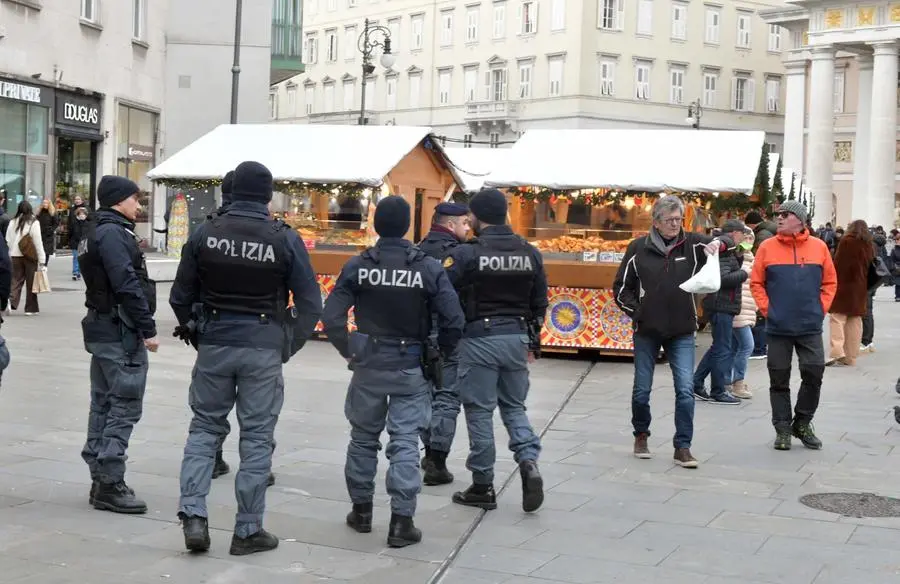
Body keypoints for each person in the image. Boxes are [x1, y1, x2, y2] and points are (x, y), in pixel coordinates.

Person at [170, 161, 322, 555]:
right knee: (256, 439)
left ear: (233, 192)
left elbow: (180, 295)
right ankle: (247, 530)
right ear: (268, 195)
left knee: (204, 429)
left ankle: (194, 516)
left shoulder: (206, 232)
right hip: (264, 344)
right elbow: (310, 303)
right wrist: (289, 343)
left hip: (216, 342)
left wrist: (198, 332)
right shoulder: (283, 238)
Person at [321, 195, 464, 548]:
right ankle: (402, 522)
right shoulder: (427, 267)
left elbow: (331, 316)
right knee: (404, 443)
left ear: (375, 226)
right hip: (410, 365)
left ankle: (362, 512)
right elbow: (454, 319)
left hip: (369, 363)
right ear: (407, 227)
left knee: (363, 439)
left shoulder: (359, 264)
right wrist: (439, 352)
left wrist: (349, 349)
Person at [441, 188, 547, 512]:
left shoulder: (466, 254)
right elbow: (540, 300)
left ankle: (483, 485)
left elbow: (442, 292)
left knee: (479, 411)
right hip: (516, 337)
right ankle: (528, 461)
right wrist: (531, 335)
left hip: (479, 339)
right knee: (515, 407)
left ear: (477, 216)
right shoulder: (529, 252)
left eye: (470, 214)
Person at [614, 195, 719, 468]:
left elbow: (733, 245)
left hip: (682, 329)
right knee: (641, 390)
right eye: (670, 220)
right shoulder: (638, 248)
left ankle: (683, 446)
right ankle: (641, 434)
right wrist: (638, 312)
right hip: (647, 330)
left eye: (678, 219)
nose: (675, 224)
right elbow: (621, 288)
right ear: (656, 222)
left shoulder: (694, 243)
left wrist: (720, 243)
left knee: (685, 389)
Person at [78, 176, 159, 513]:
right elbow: (125, 282)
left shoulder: (95, 230)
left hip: (102, 327)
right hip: (119, 331)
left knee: (103, 402)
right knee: (123, 404)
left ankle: (100, 478)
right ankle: (110, 481)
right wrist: (148, 327)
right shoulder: (112, 233)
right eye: (134, 199)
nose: (138, 206)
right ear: (117, 200)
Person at [750, 200, 836, 451]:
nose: (779, 218)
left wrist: (820, 309)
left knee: (814, 372)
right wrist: (769, 310)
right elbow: (756, 283)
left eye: (785, 214)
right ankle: (783, 429)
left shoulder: (819, 248)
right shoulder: (766, 247)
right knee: (778, 377)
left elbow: (830, 283)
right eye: (778, 214)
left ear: (800, 219)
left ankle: (803, 421)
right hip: (778, 327)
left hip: (809, 325)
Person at [417, 201, 469, 486]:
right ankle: (437, 460)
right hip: (449, 332)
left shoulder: (417, 251)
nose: (468, 228)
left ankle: (427, 451)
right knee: (447, 396)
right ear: (451, 225)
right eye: (464, 223)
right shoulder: (461, 255)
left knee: (424, 395)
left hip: (420, 332)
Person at [692, 219, 747, 405]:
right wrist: (744, 273)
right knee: (723, 349)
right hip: (721, 304)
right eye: (742, 233)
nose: (744, 237)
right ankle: (718, 390)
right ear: (734, 233)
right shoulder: (727, 242)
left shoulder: (729, 246)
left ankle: (696, 382)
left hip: (721, 304)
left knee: (719, 347)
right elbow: (722, 279)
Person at [826, 220, 874, 367]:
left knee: (837, 318)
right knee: (855, 321)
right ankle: (851, 357)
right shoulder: (868, 244)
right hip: (860, 287)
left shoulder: (846, 241)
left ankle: (837, 351)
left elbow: (838, 263)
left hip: (844, 285)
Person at [729, 229, 757, 400]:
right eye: (745, 237)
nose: (748, 240)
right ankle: (737, 382)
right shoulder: (738, 257)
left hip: (746, 308)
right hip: (739, 309)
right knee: (747, 346)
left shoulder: (750, 256)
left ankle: (726, 380)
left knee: (732, 347)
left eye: (750, 238)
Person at [744, 211, 775, 360]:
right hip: (769, 276)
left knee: (760, 313)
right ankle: (761, 346)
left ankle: (759, 348)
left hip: (764, 276)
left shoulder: (762, 235)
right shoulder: (768, 231)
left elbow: (759, 257)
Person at [6, 201, 46, 315]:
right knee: (31, 282)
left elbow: (8, 240)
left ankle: (11, 301)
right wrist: (42, 260)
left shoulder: (12, 222)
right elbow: (38, 242)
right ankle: (30, 308)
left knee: (16, 280)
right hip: (30, 256)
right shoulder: (33, 222)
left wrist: (13, 249)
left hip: (14, 255)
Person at [68, 195, 88, 279]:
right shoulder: (72, 212)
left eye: (79, 199)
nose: (77, 200)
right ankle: (75, 272)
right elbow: (70, 227)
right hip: (75, 240)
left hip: (83, 241)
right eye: (76, 199)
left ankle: (79, 271)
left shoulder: (87, 221)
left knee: (82, 257)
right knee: (76, 257)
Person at [36, 199, 59, 267]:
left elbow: (56, 223)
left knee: (46, 251)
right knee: (40, 249)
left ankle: (45, 265)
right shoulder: (39, 212)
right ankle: (41, 263)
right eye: (43, 203)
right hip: (40, 233)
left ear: (49, 204)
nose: (44, 204)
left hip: (48, 234)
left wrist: (51, 230)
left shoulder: (52, 212)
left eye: (46, 203)